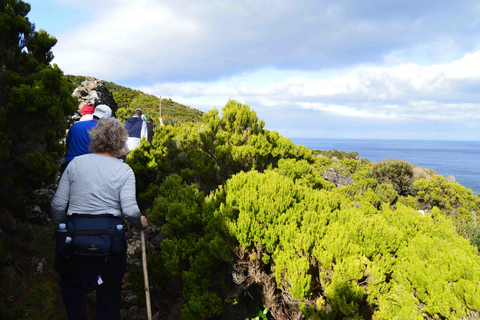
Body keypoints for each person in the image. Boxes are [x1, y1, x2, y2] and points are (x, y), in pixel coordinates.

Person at [51, 117, 148, 320]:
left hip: (74, 239)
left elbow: (58, 205)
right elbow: (130, 211)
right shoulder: (124, 170)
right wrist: (140, 222)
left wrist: (61, 227)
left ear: (94, 138)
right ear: (121, 141)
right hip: (110, 243)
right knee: (109, 294)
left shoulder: (76, 163)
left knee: (72, 289)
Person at [61, 104, 112, 172]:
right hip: (92, 168)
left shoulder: (76, 125)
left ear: (94, 114)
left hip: (70, 164)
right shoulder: (106, 131)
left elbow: (68, 146)